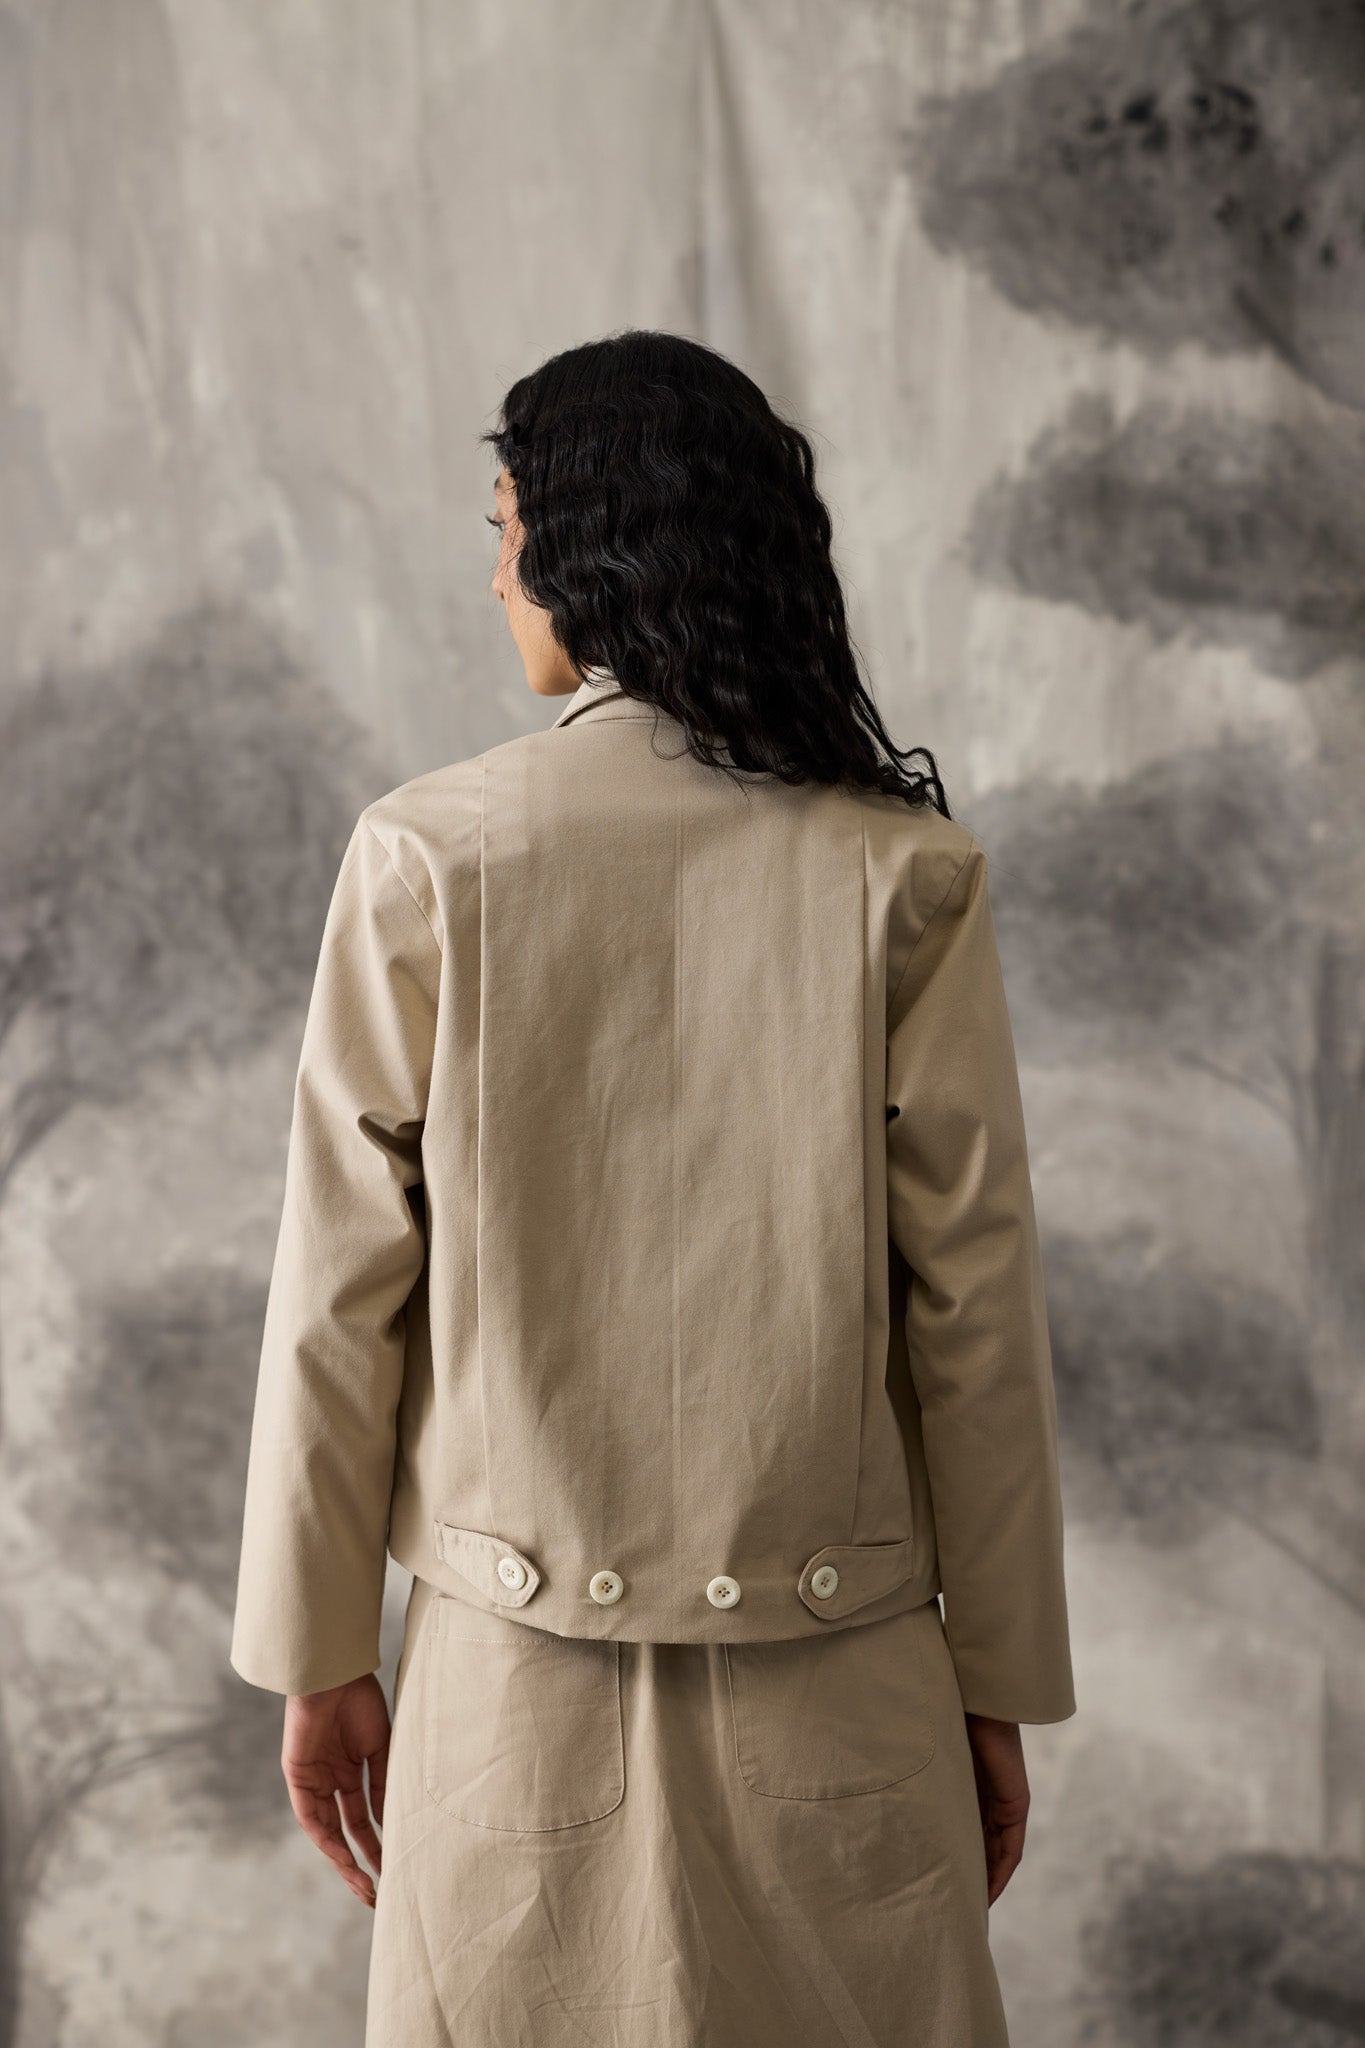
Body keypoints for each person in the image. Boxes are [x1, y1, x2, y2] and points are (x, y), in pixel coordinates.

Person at [230, 328, 1076, 2047]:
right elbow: (973, 1310)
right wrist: (993, 1682)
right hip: (848, 1687)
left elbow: (337, 1292)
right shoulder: (903, 874)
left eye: (504, 529)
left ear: (588, 546)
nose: (493, 576)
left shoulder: (428, 855)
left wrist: (318, 1657)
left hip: (510, 1696)